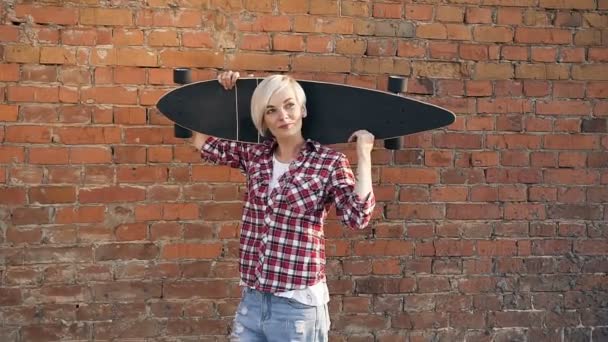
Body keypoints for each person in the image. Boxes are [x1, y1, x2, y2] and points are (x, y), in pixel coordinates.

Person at [192, 71, 376, 342]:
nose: (283, 116)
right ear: (264, 119)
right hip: (253, 300)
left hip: (297, 306)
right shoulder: (256, 156)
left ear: (302, 109)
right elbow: (202, 142)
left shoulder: (329, 162)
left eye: (289, 105)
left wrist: (364, 156)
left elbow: (357, 217)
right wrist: (221, 94)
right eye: (271, 110)